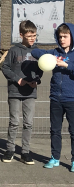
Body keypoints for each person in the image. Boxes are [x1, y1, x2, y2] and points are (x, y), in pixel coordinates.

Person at [31, 23, 74, 171]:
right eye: (60, 36)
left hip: (72, 99)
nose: (62, 39)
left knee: (73, 131)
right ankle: (55, 158)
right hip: (55, 98)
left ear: (72, 37)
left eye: (65, 36)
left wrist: (66, 65)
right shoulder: (55, 52)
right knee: (55, 130)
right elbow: (37, 53)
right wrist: (49, 56)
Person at [1, 20, 42, 165]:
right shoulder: (13, 50)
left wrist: (36, 80)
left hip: (30, 92)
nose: (32, 38)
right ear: (21, 35)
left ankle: (25, 152)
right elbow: (5, 67)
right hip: (15, 92)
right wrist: (17, 79)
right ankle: (10, 150)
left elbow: (40, 70)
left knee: (28, 123)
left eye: (34, 35)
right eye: (29, 35)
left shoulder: (37, 51)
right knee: (13, 122)